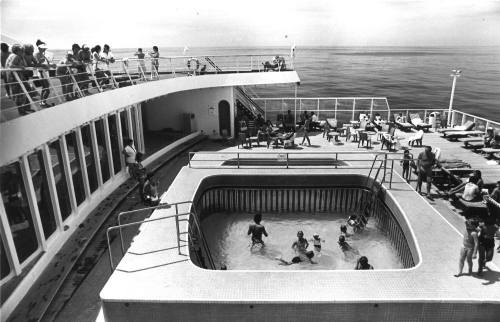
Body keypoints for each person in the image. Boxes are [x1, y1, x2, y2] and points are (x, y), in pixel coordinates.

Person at [6, 44, 35, 115]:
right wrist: (20, 67)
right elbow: (11, 65)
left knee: (28, 90)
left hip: (19, 77)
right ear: (17, 51)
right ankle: (22, 111)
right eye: (21, 51)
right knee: (19, 95)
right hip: (15, 78)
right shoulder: (15, 56)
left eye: (23, 51)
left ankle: (26, 107)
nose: (23, 52)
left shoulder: (16, 56)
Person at [34, 40, 52, 107]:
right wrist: (41, 64)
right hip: (41, 73)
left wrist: (51, 65)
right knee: (47, 90)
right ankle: (43, 102)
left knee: (44, 88)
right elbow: (35, 64)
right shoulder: (36, 54)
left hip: (45, 73)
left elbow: (47, 64)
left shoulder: (42, 55)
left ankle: (42, 102)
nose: (44, 49)